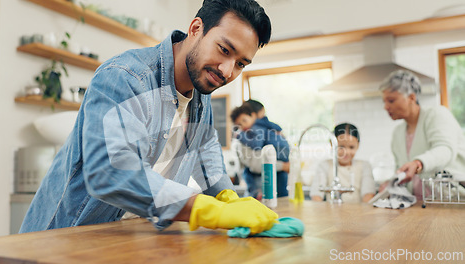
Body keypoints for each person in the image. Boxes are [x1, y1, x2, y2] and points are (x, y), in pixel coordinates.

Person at [20, 0, 278, 235]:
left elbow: (207, 156)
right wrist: (207, 210)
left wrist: (227, 197)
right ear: (196, 28)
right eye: (224, 49)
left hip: (131, 239)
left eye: (241, 64)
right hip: (66, 239)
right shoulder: (125, 77)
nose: (227, 71)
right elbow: (111, 172)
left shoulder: (202, 95)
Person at [380, 69, 465, 199]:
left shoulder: (436, 115)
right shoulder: (397, 133)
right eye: (384, 102)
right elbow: (402, 170)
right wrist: (391, 183)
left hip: (451, 199)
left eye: (391, 101)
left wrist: (418, 163)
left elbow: (445, 149)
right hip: (419, 205)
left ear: (411, 98)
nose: (385, 107)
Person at [230, 103, 289, 198]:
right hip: (263, 191)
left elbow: (256, 146)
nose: (243, 126)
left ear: (253, 116)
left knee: (247, 173)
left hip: (263, 190)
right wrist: (284, 166)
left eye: (244, 121)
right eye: (239, 124)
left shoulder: (254, 130)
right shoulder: (267, 127)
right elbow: (256, 165)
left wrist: (240, 136)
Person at [310, 123, 376, 203]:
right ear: (332, 144)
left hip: (359, 213)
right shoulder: (324, 165)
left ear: (358, 145)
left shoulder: (365, 166)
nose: (346, 152)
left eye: (351, 147)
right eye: (341, 147)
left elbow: (368, 195)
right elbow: (316, 195)